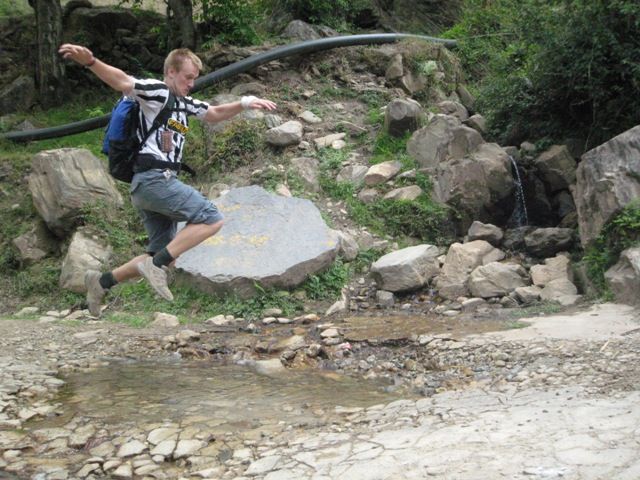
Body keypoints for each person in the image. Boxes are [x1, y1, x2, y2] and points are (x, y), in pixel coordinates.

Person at [58, 43, 277, 316]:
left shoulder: (184, 104)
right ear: (171, 72)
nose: (192, 83)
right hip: (154, 180)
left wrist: (244, 103)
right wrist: (91, 61)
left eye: (195, 78)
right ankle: (156, 265)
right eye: (188, 77)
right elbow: (123, 81)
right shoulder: (157, 92)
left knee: (160, 256)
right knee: (212, 218)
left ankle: (100, 282)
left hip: (148, 188)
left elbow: (213, 113)